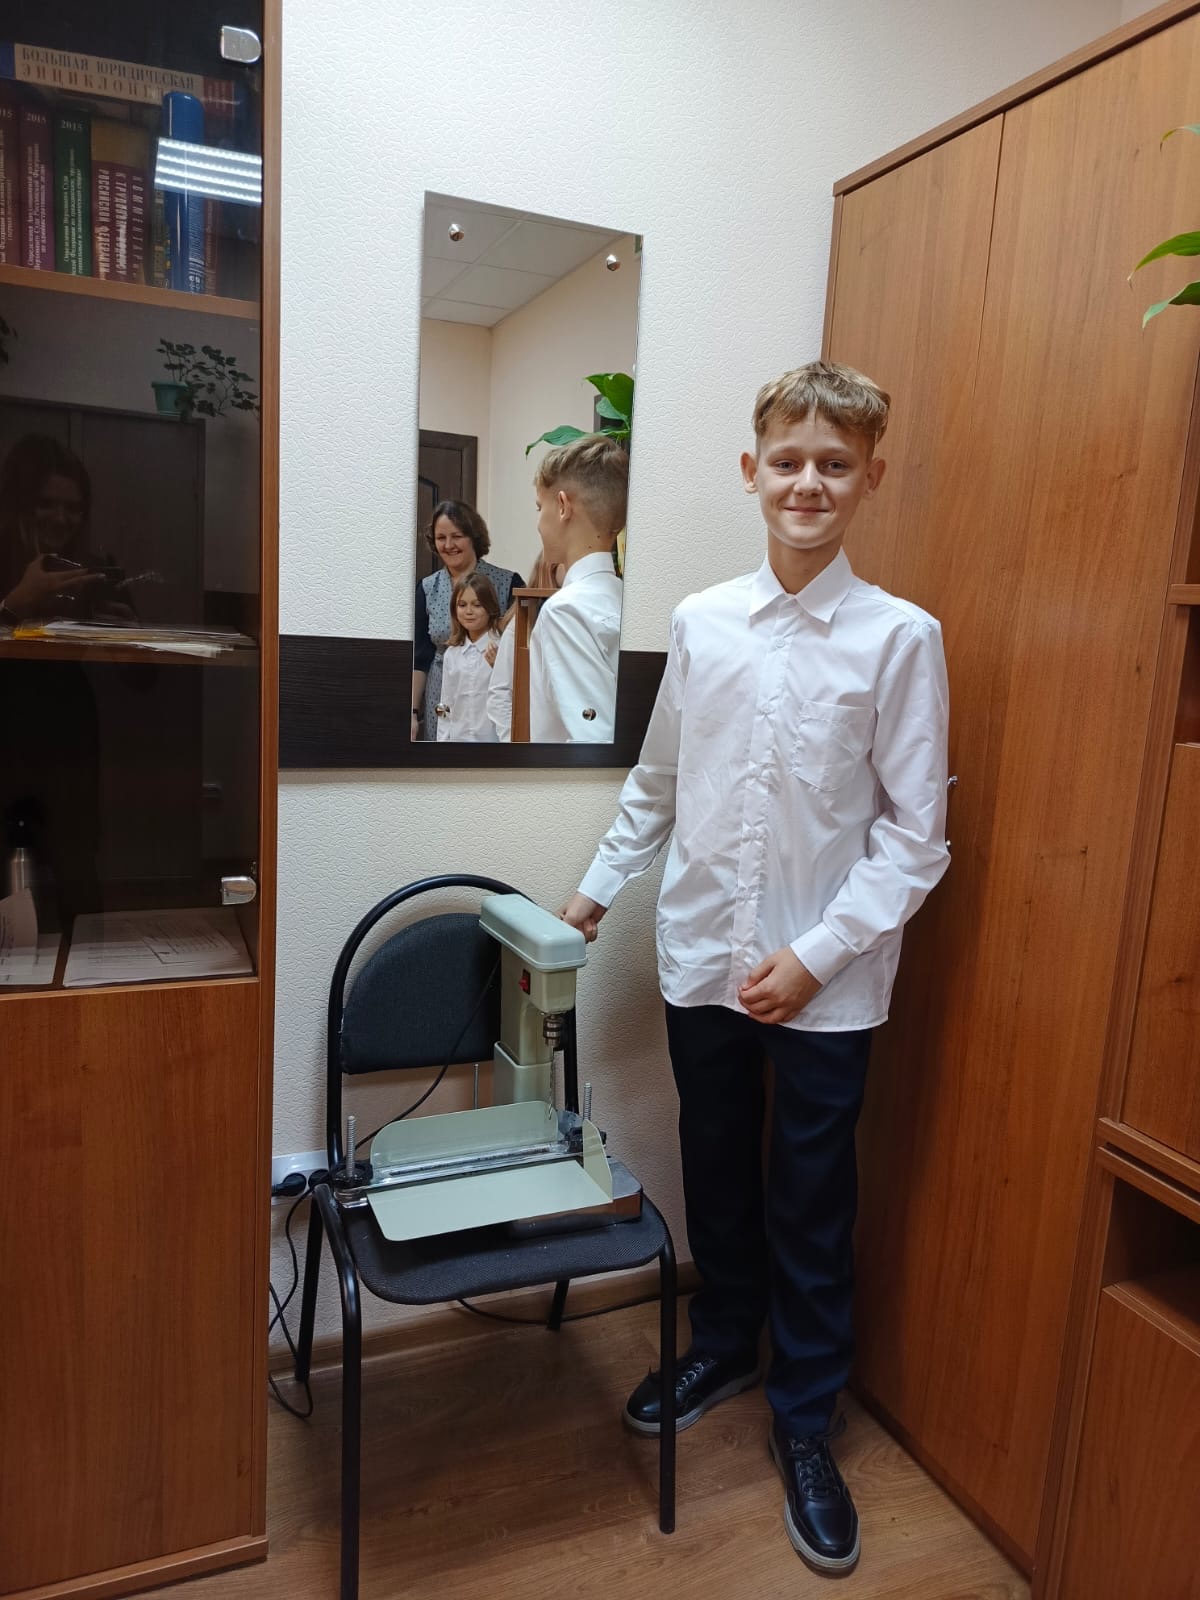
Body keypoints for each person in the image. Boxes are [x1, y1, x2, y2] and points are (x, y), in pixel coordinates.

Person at [561, 362, 950, 1577]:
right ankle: (726, 1339)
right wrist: (594, 887)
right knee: (717, 1167)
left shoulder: (901, 639)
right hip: (701, 957)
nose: (808, 483)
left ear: (870, 476)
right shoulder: (702, 621)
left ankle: (807, 1418)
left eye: (835, 463)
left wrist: (816, 956)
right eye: (788, 460)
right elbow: (660, 781)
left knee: (812, 1198)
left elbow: (915, 839)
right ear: (752, 470)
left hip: (830, 980)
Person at [529, 434, 627, 742]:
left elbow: (593, 739)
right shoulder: (627, 601)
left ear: (562, 506)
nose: (538, 523)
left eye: (539, 507)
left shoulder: (565, 612)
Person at [412, 500, 522, 741]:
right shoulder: (427, 588)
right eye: (441, 538)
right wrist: (412, 712)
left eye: (457, 536)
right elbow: (419, 657)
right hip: (442, 694)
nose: (448, 545)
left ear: (473, 536)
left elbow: (524, 650)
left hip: (492, 692)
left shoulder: (508, 583)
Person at [0, 435, 122, 625]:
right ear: (18, 506)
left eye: (72, 508)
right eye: (45, 504)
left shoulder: (95, 574)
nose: (60, 519)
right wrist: (12, 606)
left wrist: (130, 631)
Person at [486, 551, 564, 742]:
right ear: (549, 570)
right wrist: (514, 741)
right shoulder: (522, 623)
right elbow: (500, 692)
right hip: (531, 742)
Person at [436, 571, 502, 743]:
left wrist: (499, 668)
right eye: (462, 605)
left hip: (494, 742)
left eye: (477, 605)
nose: (469, 611)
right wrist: (441, 743)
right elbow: (445, 704)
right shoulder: (451, 654)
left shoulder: (502, 649)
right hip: (458, 742)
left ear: (490, 608)